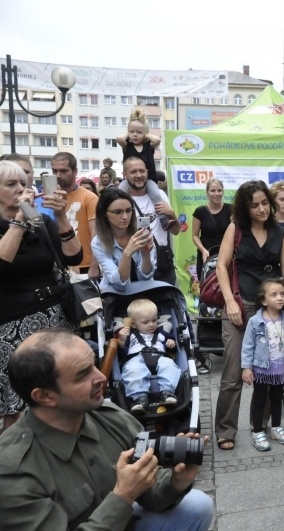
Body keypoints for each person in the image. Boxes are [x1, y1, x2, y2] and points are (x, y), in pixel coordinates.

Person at [0, 329, 214, 530]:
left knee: (197, 506)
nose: (101, 377)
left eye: (94, 365)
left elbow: (151, 494)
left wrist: (176, 482)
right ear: (45, 396)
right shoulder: (12, 471)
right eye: (83, 375)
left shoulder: (110, 417)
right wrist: (123, 496)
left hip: (125, 522)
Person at [214, 180, 284, 451]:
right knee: (233, 371)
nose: (261, 209)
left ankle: (263, 424)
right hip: (240, 305)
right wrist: (230, 303)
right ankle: (226, 429)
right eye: (254, 205)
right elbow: (221, 266)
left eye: (264, 203)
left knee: (270, 370)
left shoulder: (279, 231)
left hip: (272, 308)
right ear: (245, 207)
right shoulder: (236, 229)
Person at [0, 161, 83, 431]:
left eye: (23, 183)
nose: (20, 190)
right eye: (11, 184)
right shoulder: (23, 221)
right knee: (19, 407)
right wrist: (19, 220)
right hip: (12, 326)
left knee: (64, 395)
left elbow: (74, 257)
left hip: (55, 317)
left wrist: (60, 218)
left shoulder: (41, 221)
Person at [241, 278, 284, 451]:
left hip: (279, 368)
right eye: (274, 295)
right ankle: (257, 431)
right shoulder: (256, 321)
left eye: (282, 294)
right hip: (261, 369)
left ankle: (276, 427)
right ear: (263, 300)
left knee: (277, 398)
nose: (279, 298)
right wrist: (246, 367)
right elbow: (247, 345)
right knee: (260, 400)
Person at [122, 156, 180, 285]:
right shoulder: (120, 201)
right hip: (135, 259)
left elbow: (176, 231)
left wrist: (172, 215)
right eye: (133, 172)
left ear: (147, 172)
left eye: (142, 171)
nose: (138, 175)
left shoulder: (160, 195)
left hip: (162, 261)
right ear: (125, 175)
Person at [117, 298, 181, 414]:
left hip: (159, 356)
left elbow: (173, 344)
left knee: (169, 365)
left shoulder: (161, 333)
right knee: (133, 369)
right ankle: (139, 398)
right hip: (136, 358)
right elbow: (122, 353)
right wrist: (121, 340)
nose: (151, 324)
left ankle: (167, 392)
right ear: (133, 324)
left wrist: (171, 344)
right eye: (145, 322)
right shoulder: (131, 335)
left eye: (154, 320)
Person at [116, 108, 175, 231]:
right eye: (132, 132)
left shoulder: (148, 145)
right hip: (128, 180)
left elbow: (157, 140)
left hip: (149, 179)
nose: (135, 134)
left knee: (156, 195)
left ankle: (163, 219)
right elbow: (119, 139)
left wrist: (145, 133)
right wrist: (131, 132)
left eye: (138, 132)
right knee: (119, 193)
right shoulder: (128, 145)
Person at [91, 187, 156, 292]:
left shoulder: (142, 234)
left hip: (144, 294)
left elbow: (146, 277)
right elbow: (119, 284)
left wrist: (146, 255)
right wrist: (127, 254)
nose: (125, 217)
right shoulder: (98, 242)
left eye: (128, 210)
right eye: (118, 212)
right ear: (104, 213)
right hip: (115, 296)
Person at [51, 152, 99, 276]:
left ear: (75, 171)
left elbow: (96, 235)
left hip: (84, 264)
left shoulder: (89, 198)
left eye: (63, 171)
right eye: (54, 171)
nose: (58, 175)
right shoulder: (48, 197)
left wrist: (94, 266)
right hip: (56, 265)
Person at [191, 178, 232, 278]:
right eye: (213, 190)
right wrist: (203, 250)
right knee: (206, 288)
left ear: (223, 191)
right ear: (207, 192)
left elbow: (235, 233)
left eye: (219, 190)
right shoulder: (200, 211)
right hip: (206, 256)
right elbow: (195, 236)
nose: (216, 193)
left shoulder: (231, 209)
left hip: (226, 256)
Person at [0, 153, 52, 218]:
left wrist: (60, 215)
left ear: (33, 175)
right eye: (11, 184)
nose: (21, 189)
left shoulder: (47, 202)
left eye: (25, 172)